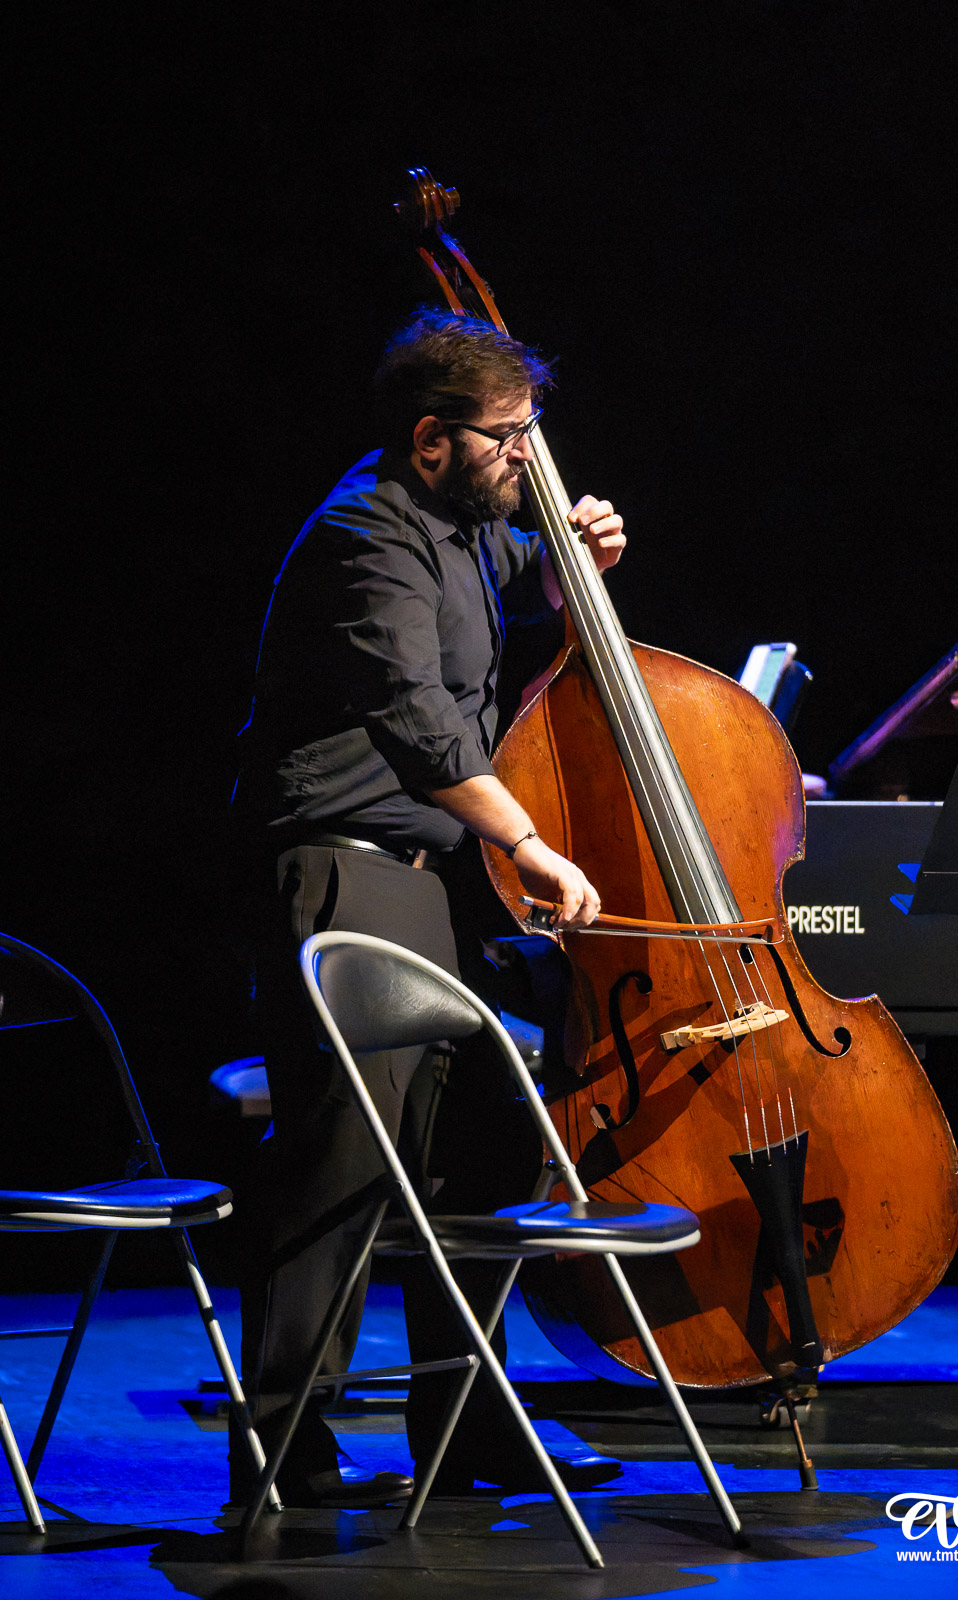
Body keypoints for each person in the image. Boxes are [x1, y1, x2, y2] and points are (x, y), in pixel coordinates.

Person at [229, 308, 625, 1507]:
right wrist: (528, 842)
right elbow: (418, 721)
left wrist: (573, 566)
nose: (528, 461)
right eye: (509, 440)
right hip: (342, 873)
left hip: (426, 884)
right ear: (429, 438)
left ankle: (470, 1432)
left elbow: (519, 598)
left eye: (531, 435)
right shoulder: (364, 538)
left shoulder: (461, 529)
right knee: (342, 1168)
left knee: (477, 1156)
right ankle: (281, 1461)